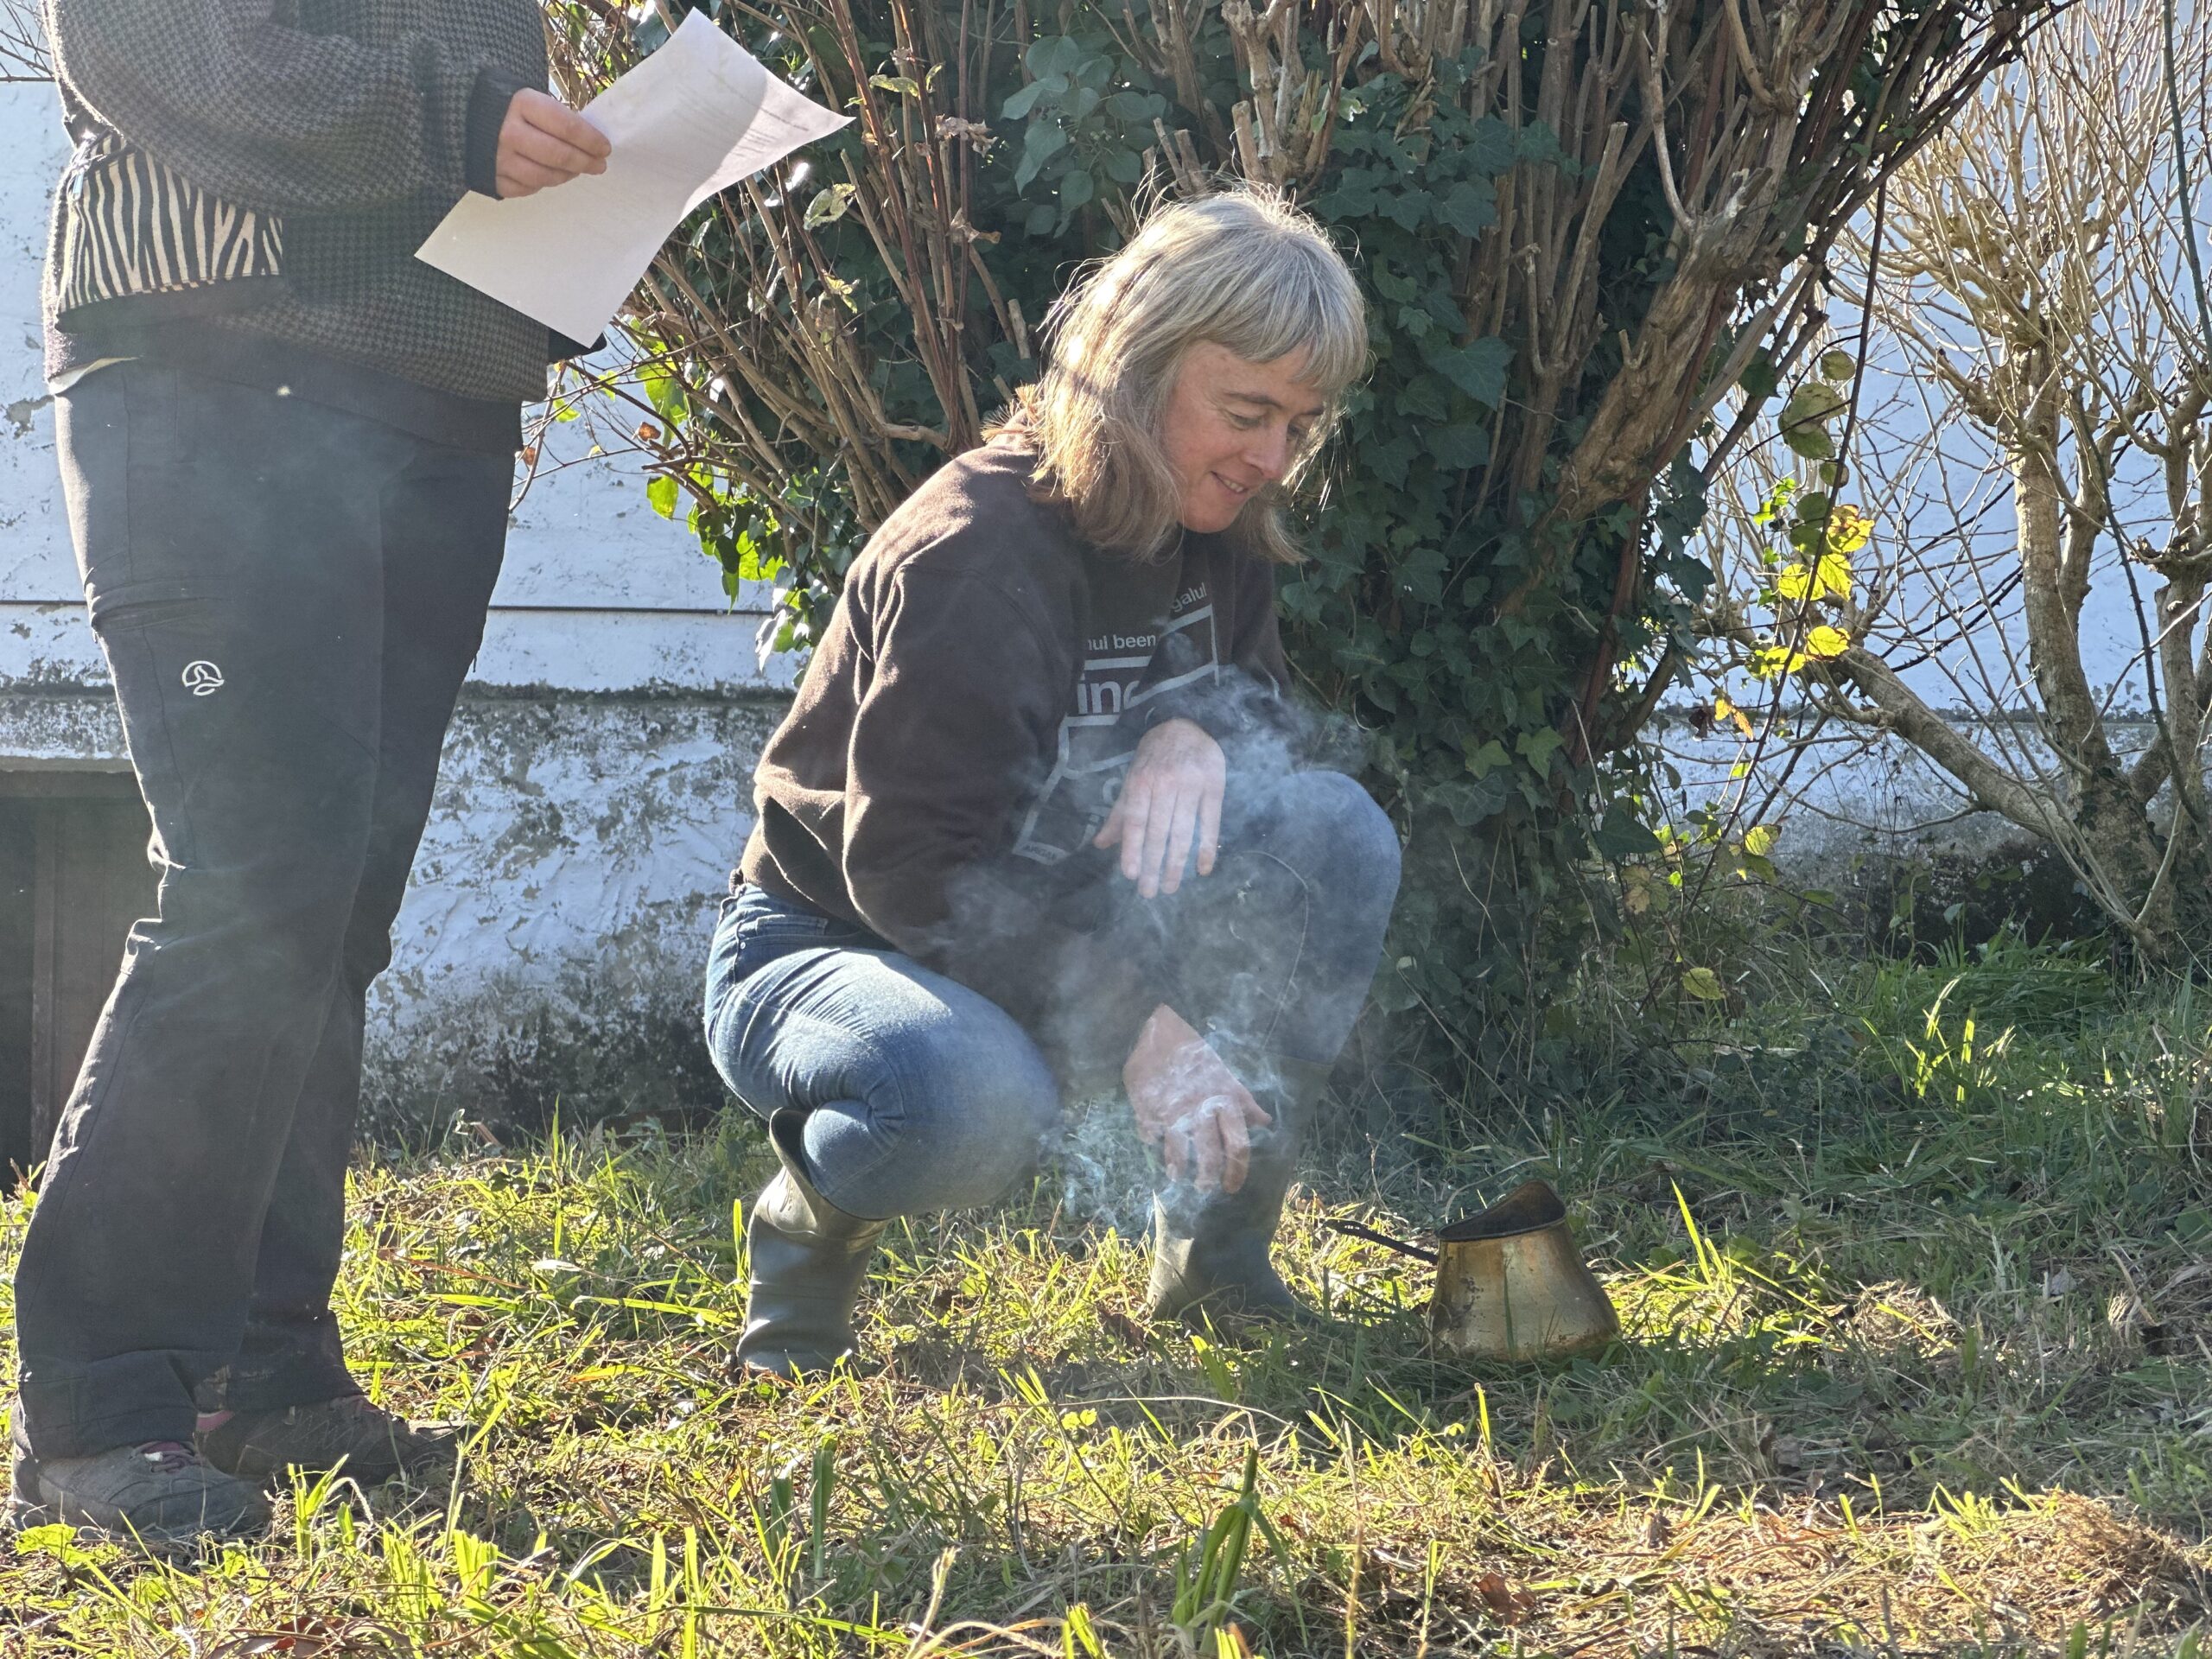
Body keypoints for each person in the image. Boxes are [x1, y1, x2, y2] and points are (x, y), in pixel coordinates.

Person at [11, 0, 613, 1548]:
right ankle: (104, 1405)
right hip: (216, 371)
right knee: (254, 885)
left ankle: (263, 1369)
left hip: (435, 400)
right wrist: (453, 124)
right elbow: (144, 45)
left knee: (333, 905)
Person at [706, 189, 1403, 1378]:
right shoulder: (976, 556)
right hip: (836, 949)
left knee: (1335, 831)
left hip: (1064, 912)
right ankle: (807, 1223)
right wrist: (1140, 1025)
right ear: (1136, 373)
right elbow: (914, 875)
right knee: (974, 1099)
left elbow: (1257, 708)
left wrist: (1196, 733)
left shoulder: (1215, 516)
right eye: (1245, 413)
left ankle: (1215, 1257)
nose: (1272, 459)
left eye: (1299, 423)